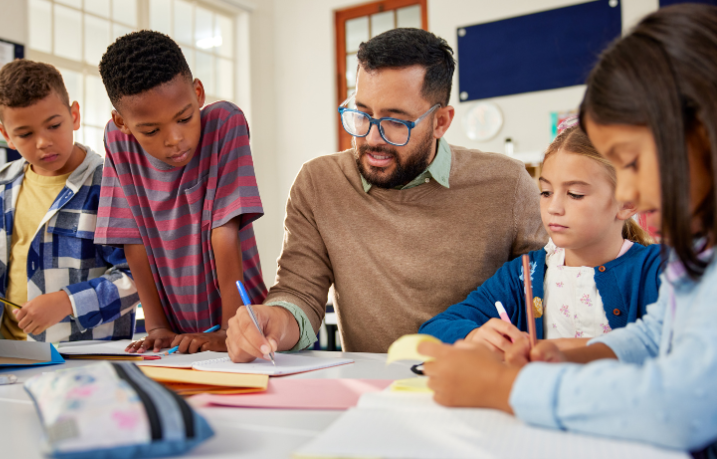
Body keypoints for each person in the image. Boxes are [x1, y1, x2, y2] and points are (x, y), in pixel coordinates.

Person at [420, 5, 717, 454]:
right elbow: (658, 333)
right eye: (546, 191)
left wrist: (505, 390)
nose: (630, 193)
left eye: (632, 163)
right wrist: (571, 354)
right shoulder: (695, 252)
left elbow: (683, 405)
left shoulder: (664, 260)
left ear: (703, 131)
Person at [226, 28, 547, 361]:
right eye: (362, 113)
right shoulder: (319, 183)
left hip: (479, 383)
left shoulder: (507, 185)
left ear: (440, 122)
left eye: (396, 121)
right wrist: (272, 321)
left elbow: (552, 292)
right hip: (373, 393)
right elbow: (299, 294)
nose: (372, 138)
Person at [419, 123, 662, 354]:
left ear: (628, 203)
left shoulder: (661, 270)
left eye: (575, 194)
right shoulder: (524, 274)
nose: (553, 207)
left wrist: (562, 350)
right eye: (546, 192)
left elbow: (676, 346)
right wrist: (472, 336)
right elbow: (433, 331)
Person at [94, 31, 267, 354]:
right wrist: (157, 326)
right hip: (178, 338)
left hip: (247, 324)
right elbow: (133, 239)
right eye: (151, 130)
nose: (174, 138)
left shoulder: (224, 124)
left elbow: (224, 230)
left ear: (198, 93)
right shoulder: (118, 143)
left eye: (184, 118)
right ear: (122, 122)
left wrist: (232, 328)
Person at [0, 59, 139, 342]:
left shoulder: (110, 183)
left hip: (82, 360)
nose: (43, 142)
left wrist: (68, 302)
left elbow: (137, 278)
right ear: (6, 135)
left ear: (74, 115)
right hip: (5, 352)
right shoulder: (0, 186)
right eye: (25, 134)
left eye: (54, 125)